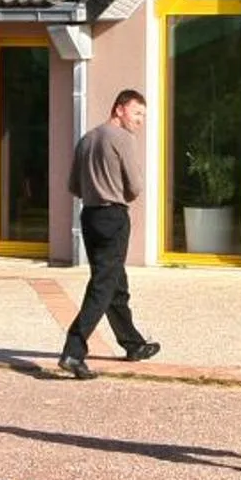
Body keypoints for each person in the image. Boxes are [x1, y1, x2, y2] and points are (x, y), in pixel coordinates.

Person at [59, 89, 160, 380]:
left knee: (115, 281)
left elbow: (73, 185)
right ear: (119, 110)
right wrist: (119, 194)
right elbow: (136, 185)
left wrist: (95, 192)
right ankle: (73, 350)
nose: (140, 120)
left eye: (143, 115)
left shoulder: (87, 139)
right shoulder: (122, 139)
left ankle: (133, 344)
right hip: (113, 216)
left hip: (89, 216)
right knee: (103, 285)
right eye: (136, 112)